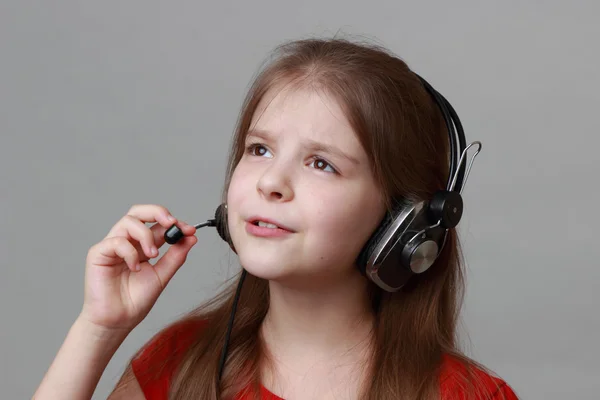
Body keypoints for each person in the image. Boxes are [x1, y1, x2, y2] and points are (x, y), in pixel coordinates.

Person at [33, 38, 518, 399]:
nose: (271, 183)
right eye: (259, 149)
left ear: (402, 223)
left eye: (321, 163)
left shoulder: (467, 394)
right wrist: (99, 328)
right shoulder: (180, 364)